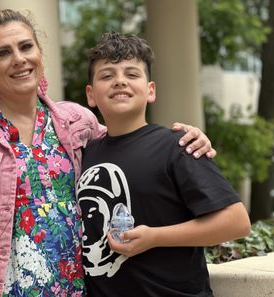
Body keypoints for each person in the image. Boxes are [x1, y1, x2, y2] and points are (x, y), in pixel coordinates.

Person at [0, 7, 216, 297]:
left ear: (40, 55)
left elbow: (130, 144)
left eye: (25, 47)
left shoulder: (77, 121)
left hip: (75, 289)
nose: (19, 59)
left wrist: (187, 137)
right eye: (3, 53)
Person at [76, 32, 251, 297]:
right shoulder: (82, 154)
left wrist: (155, 237)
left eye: (132, 74)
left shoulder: (179, 146)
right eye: (107, 75)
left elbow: (236, 221)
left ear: (151, 90)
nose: (120, 81)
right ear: (91, 95)